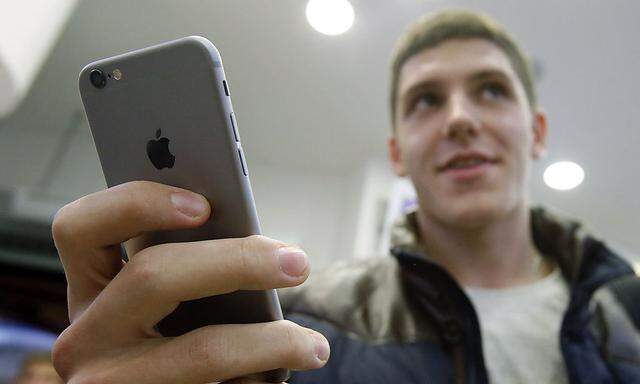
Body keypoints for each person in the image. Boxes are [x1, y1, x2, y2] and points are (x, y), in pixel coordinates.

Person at [50, 9, 640, 384]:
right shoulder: (303, 329)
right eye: (426, 101)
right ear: (398, 154)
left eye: (490, 91)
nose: (460, 119)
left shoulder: (629, 318)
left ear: (535, 132)